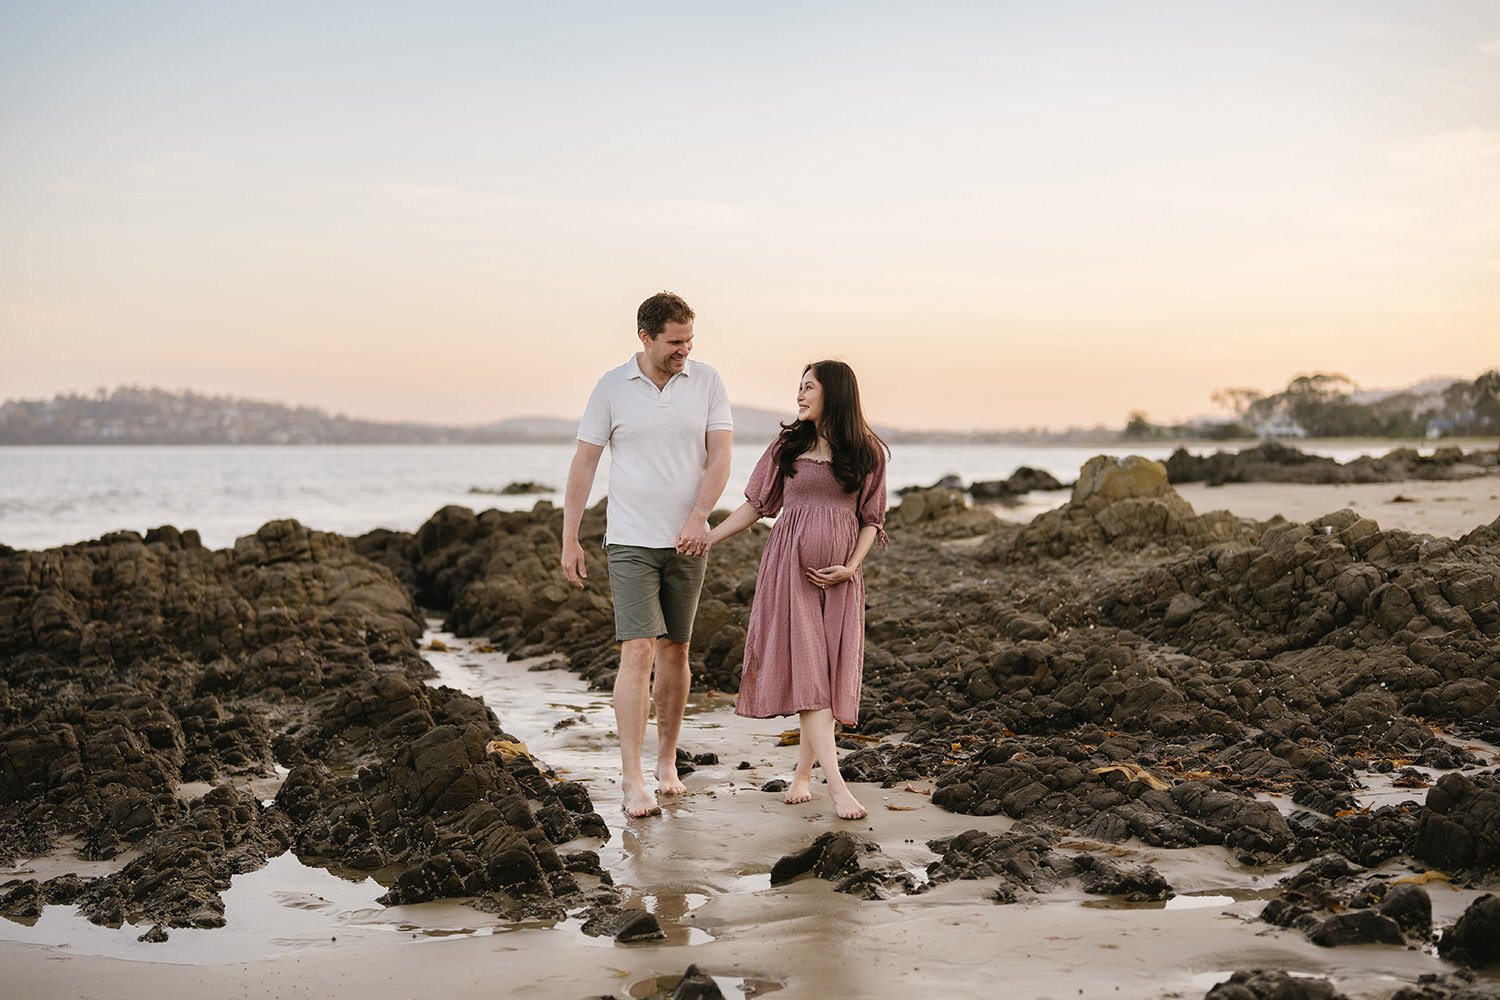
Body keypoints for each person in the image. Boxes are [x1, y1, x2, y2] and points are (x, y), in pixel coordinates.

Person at [560, 291, 733, 818]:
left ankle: (666, 763)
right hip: (631, 540)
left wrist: (699, 515)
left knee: (676, 650)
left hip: (688, 539)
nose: (685, 350)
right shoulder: (612, 387)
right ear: (645, 336)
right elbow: (585, 464)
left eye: (689, 340)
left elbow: (720, 456)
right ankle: (631, 777)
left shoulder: (707, 382)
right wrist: (570, 538)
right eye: (674, 341)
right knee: (637, 649)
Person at [706, 360, 888, 820]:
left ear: (835, 393)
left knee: (824, 676)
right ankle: (837, 787)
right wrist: (710, 536)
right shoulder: (788, 445)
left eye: (808, 388)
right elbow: (756, 505)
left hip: (841, 581)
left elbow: (871, 521)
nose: (800, 396)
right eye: (799, 388)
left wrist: (850, 567)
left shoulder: (868, 453)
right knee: (810, 678)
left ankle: (803, 776)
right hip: (789, 574)